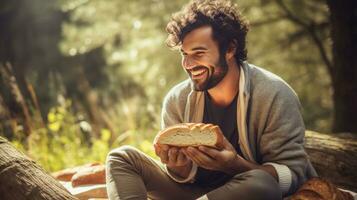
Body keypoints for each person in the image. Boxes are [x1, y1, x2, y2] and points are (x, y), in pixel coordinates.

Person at [105, 0, 317, 199]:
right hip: (194, 192)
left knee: (262, 182)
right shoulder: (176, 100)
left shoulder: (274, 94)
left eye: (198, 53)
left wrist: (234, 165)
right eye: (184, 54)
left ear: (230, 49)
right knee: (120, 158)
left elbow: (292, 175)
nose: (188, 64)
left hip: (246, 192)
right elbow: (181, 176)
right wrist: (179, 168)